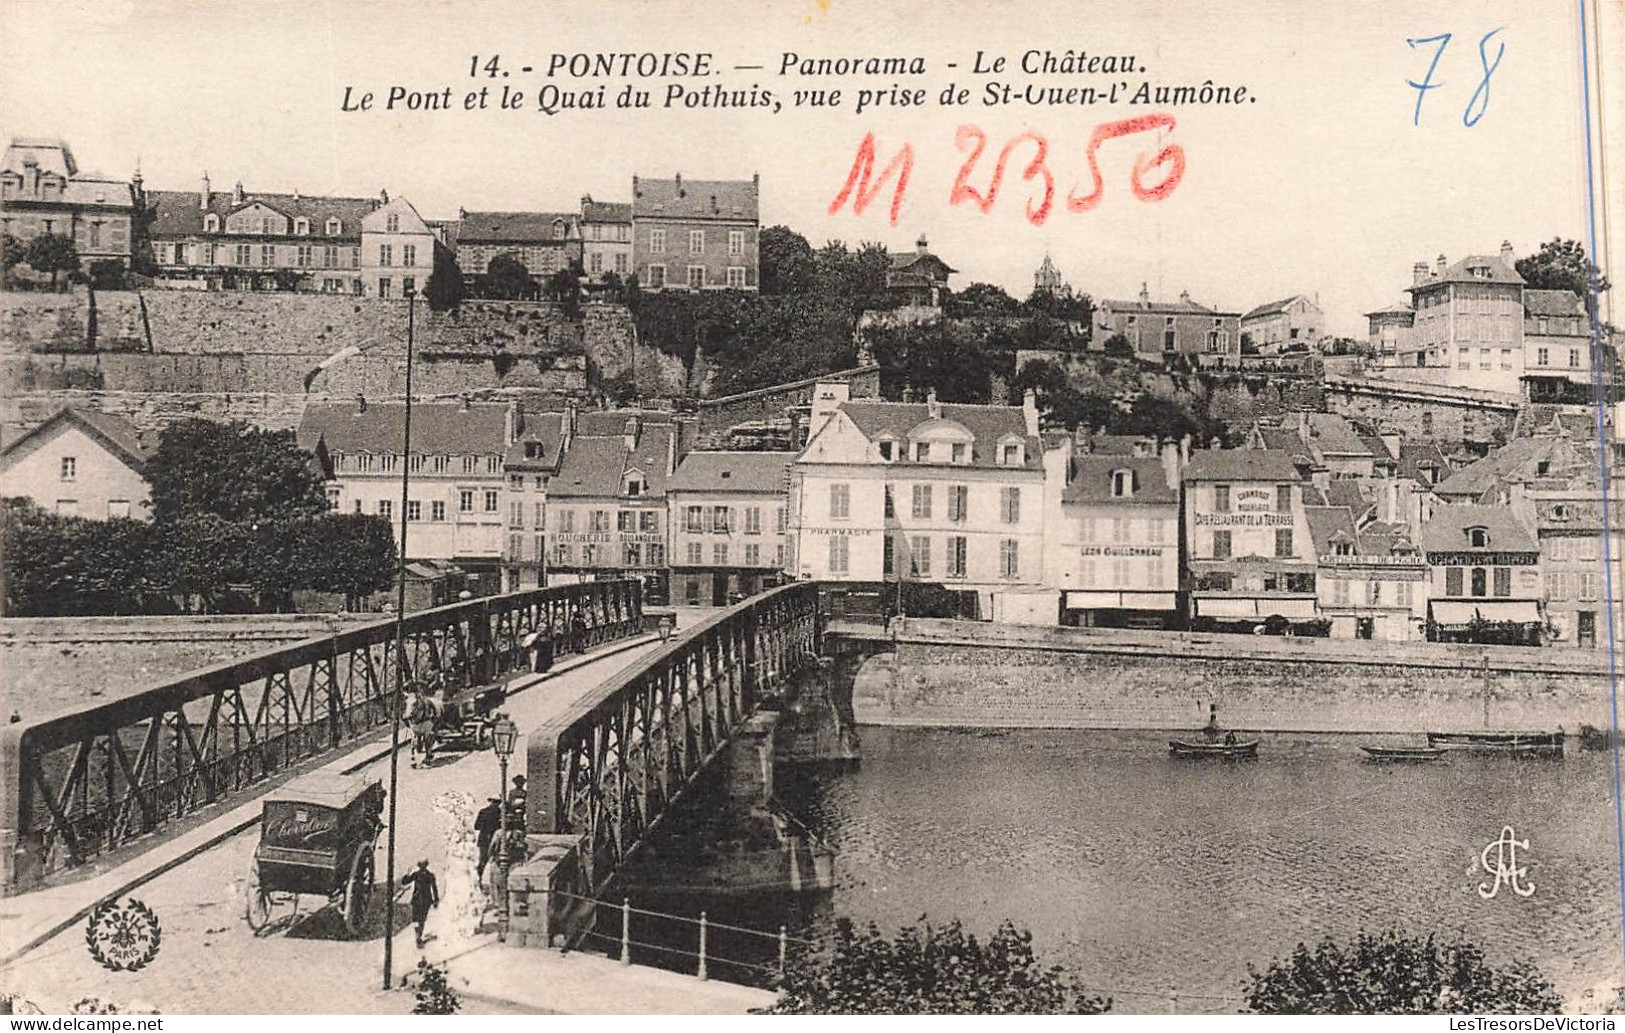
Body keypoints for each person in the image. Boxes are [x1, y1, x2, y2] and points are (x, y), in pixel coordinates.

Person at [398, 859, 439, 948]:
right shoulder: (430, 875)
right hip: (426, 901)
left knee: (416, 919)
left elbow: (405, 881)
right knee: (422, 919)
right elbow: (434, 889)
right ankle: (419, 935)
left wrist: (407, 874)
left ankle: (418, 935)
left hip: (417, 900)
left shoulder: (416, 874)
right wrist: (436, 900)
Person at [474, 797, 503, 881]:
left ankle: (481, 877)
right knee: (491, 859)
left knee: (484, 859)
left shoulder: (484, 812)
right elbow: (477, 826)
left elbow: (477, 826)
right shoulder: (500, 813)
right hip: (492, 838)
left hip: (488, 838)